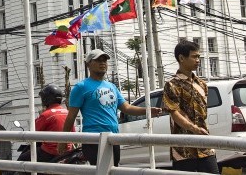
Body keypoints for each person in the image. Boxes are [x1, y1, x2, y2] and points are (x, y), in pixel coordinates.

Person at [58, 49, 162, 166]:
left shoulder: (111, 86)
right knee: (100, 171)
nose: (103, 63)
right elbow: (71, 116)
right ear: (88, 64)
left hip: (113, 137)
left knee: (113, 169)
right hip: (94, 138)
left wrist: (148, 111)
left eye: (105, 60)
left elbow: (126, 108)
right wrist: (63, 140)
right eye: (98, 60)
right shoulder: (80, 87)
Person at [162, 40, 217, 173]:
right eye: (194, 56)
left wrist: (200, 131)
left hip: (205, 147)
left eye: (198, 56)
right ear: (181, 58)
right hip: (183, 150)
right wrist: (194, 129)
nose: (198, 60)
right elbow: (174, 113)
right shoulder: (171, 85)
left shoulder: (202, 84)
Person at [33, 84, 73, 161]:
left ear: (45, 98)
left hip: (50, 152)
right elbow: (73, 132)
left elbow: (34, 131)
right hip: (67, 152)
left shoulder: (46, 114)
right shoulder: (67, 112)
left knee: (22, 159)